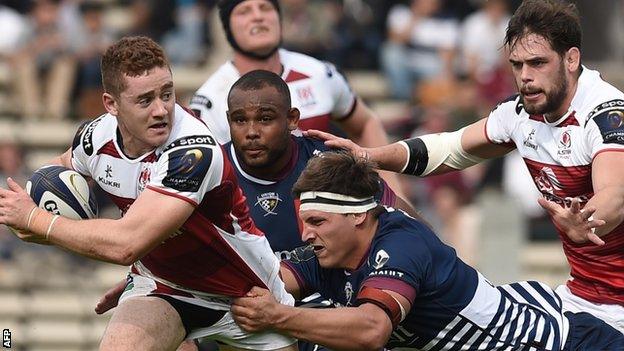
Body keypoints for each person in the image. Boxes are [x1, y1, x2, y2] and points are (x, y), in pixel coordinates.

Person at [306, 0, 624, 333]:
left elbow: (614, 193)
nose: (525, 77)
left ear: (571, 59)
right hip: (583, 296)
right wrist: (371, 156)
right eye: (517, 65)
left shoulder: (605, 114)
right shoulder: (519, 113)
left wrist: (587, 221)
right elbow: (447, 149)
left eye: (538, 63)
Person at [0, 36, 297, 351]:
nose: (161, 110)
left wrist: (37, 220)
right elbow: (56, 170)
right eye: (145, 100)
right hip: (165, 287)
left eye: (166, 94)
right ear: (111, 105)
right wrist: (23, 209)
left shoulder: (192, 152)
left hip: (245, 296)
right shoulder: (95, 137)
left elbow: (126, 245)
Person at [230, 151, 624, 350]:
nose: (306, 234)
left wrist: (279, 316)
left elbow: (371, 330)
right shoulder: (330, 250)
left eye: (317, 222)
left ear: (357, 217)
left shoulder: (401, 244)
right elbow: (263, 282)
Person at [189, 0, 406, 196]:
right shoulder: (209, 99)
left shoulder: (320, 74)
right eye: (244, 11)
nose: (258, 16)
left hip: (331, 214)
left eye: (266, 8)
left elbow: (366, 123)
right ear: (228, 29)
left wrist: (392, 194)